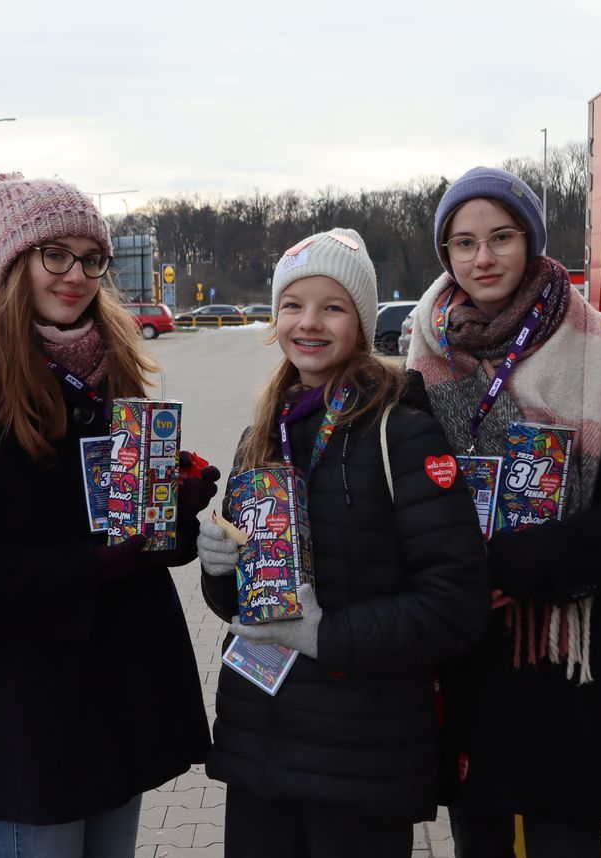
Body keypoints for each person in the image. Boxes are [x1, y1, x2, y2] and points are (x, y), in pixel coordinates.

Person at [0, 172, 216, 858]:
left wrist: (173, 514)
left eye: (91, 258)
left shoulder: (116, 369)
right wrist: (91, 567)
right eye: (56, 254)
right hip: (32, 706)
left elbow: (137, 537)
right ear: (15, 263)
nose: (76, 275)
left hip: (120, 691)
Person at [406, 167, 601, 858]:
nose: (483, 258)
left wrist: (532, 561)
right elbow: (400, 494)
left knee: (563, 837)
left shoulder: (593, 352)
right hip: (466, 642)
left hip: (565, 655)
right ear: (446, 254)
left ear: (529, 240)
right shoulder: (423, 356)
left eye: (501, 237)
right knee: (481, 835)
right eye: (464, 243)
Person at [196, 227, 490, 858]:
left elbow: (455, 604)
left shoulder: (403, 433)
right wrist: (219, 568)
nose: (309, 323)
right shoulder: (263, 432)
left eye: (332, 307)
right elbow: (243, 600)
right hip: (261, 748)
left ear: (359, 322)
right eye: (293, 306)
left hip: (361, 758)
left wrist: (326, 635)